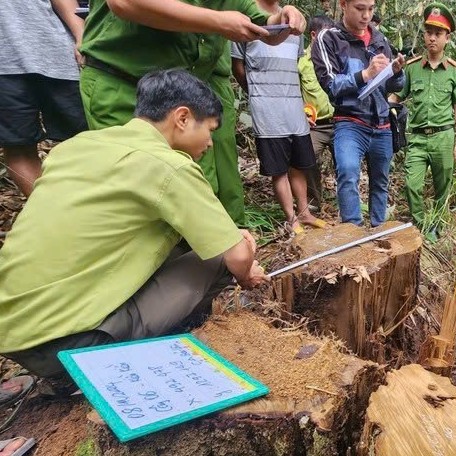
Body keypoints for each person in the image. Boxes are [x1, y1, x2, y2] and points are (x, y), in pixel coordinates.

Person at [0, 70, 268, 390]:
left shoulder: (78, 147)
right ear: (182, 117)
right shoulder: (169, 165)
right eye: (209, 130)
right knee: (219, 260)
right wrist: (246, 267)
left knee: (181, 247)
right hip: (74, 346)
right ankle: (130, 363)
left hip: (15, 333)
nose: (210, 142)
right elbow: (236, 256)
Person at [78, 0, 306, 225]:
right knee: (136, 195)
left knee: (196, 188)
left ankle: (210, 256)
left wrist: (281, 21)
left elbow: (264, 26)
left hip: (184, 95)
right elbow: (125, 3)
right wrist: (218, 22)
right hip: (123, 84)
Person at [232, 0, 327, 235]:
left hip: (293, 107)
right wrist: (257, 93)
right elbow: (238, 68)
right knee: (279, 169)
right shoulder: (244, 19)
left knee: (299, 164)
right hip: (267, 111)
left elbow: (294, 67)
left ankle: (304, 212)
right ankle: (291, 218)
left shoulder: (295, 22)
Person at [312, 0, 406, 227]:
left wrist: (396, 72)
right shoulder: (329, 39)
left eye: (371, 9)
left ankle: (378, 231)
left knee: (380, 182)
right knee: (347, 173)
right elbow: (331, 85)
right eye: (360, 8)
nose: (366, 16)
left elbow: (394, 87)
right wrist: (365, 73)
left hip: (382, 123)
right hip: (349, 122)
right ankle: (353, 234)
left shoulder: (379, 39)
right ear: (344, 4)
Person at [389, 3, 456, 231]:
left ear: (447, 38)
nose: (432, 38)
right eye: (428, 32)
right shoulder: (412, 68)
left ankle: (437, 227)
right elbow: (397, 96)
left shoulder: (454, 71)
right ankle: (421, 225)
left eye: (438, 34)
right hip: (418, 139)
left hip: (443, 137)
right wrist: (382, 108)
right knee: (412, 185)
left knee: (443, 186)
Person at [0, 0, 87, 196]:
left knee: (87, 138)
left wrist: (81, 34)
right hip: (4, 67)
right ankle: (50, 214)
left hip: (55, 52)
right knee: (18, 145)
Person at [299, 14, 336, 211]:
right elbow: (295, 92)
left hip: (339, 120)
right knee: (309, 156)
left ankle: (347, 201)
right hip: (316, 124)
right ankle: (314, 202)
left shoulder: (336, 56)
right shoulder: (302, 63)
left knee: (347, 161)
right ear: (313, 35)